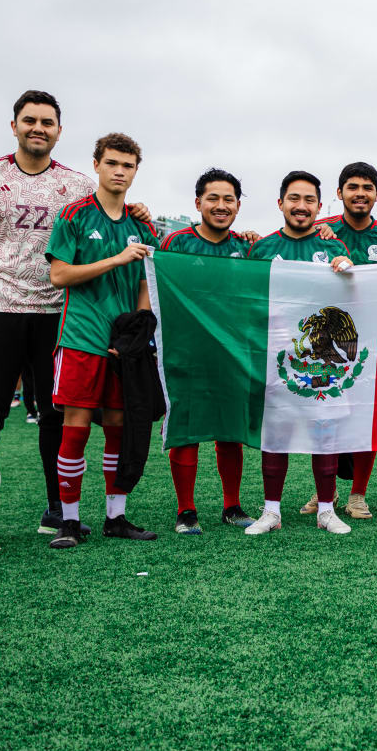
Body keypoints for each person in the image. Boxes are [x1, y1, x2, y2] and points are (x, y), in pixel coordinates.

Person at [0, 90, 152, 535]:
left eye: (47, 122)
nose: (38, 128)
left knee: (57, 417)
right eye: (30, 120)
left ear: (59, 131)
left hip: (60, 315)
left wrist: (138, 209)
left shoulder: (78, 185)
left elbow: (113, 208)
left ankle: (59, 511)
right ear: (14, 124)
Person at [44, 133, 160, 549]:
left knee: (117, 429)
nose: (119, 171)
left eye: (127, 165)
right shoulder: (74, 214)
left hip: (122, 346)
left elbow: (148, 281)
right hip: (80, 338)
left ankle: (115, 517)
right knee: (74, 430)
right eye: (112, 163)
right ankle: (69, 523)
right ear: (96, 165)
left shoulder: (142, 223)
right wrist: (114, 259)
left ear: (135, 171)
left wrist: (137, 330)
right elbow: (59, 275)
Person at [246, 171, 354, 536]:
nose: (301, 206)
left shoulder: (334, 247)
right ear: (280, 203)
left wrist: (346, 270)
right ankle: (271, 511)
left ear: (320, 207)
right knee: (275, 435)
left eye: (309, 200)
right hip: (278, 357)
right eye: (294, 198)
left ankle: (327, 509)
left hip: (322, 363)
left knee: (325, 434)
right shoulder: (261, 248)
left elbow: (351, 299)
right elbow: (247, 300)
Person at [299, 161, 377, 520]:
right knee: (323, 414)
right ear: (339, 193)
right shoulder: (319, 231)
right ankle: (323, 489)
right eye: (353, 187)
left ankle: (358, 494)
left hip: (369, 341)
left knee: (362, 418)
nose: (360, 193)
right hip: (324, 345)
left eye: (367, 187)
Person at [159, 168, 256, 535]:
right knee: (185, 431)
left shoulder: (247, 248)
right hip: (185, 354)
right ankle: (186, 511)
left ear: (238, 206)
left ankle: (232, 506)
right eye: (212, 198)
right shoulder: (176, 244)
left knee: (229, 430)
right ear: (198, 203)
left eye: (228, 199)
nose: (220, 205)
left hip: (232, 353)